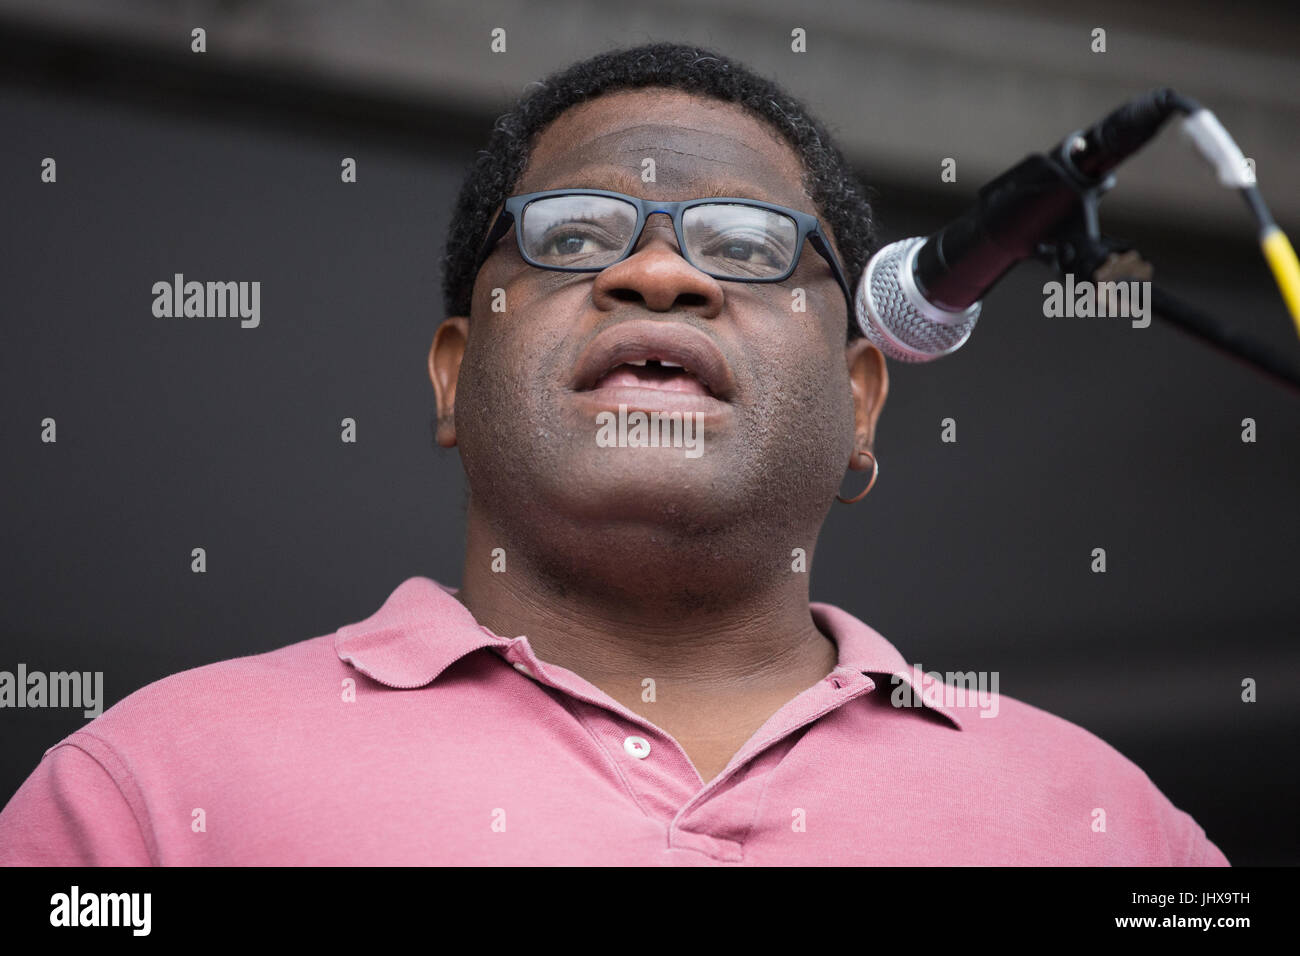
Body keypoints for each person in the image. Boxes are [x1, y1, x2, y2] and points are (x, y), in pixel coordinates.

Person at [0, 42, 1228, 865]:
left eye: (747, 243)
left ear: (863, 402)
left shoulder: (1113, 830)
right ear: (453, 374)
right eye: (575, 232)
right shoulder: (142, 798)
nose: (656, 271)